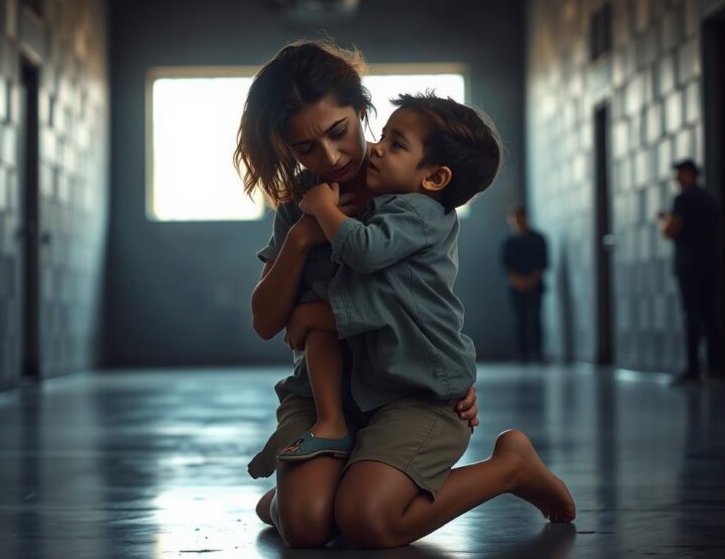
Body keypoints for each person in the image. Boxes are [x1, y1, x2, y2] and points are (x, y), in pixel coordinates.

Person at [237, 40, 575, 549]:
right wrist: (305, 234)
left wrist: (318, 315)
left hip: (404, 392)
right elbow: (266, 321)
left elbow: (419, 306)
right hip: (326, 399)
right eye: (306, 148)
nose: (330, 157)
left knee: (369, 521)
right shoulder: (304, 205)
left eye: (338, 132)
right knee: (306, 529)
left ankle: (510, 469)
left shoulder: (415, 197)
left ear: (360, 110)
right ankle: (299, 500)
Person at [275, 93, 498, 468]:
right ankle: (322, 449)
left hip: (419, 384)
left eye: (396, 145)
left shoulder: (417, 212)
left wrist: (324, 210)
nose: (378, 149)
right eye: (383, 136)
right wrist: (301, 236)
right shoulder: (391, 204)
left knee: (366, 510)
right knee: (310, 518)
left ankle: (507, 468)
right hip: (380, 380)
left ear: (434, 177)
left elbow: (365, 254)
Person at [658, 159, 722, 384]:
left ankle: (693, 369)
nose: (675, 179)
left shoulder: (683, 200)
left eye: (678, 174)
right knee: (710, 316)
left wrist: (663, 222)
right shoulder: (710, 199)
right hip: (711, 264)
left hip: (689, 266)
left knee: (691, 315)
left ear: (688, 174)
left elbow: (671, 231)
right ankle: (715, 367)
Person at [501, 206, 548, 362]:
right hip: (516, 287)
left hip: (535, 286)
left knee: (535, 319)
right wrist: (519, 281)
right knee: (519, 320)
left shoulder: (538, 239)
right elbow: (506, 266)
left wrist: (531, 280)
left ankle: (537, 352)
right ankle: (522, 353)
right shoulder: (508, 242)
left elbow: (543, 263)